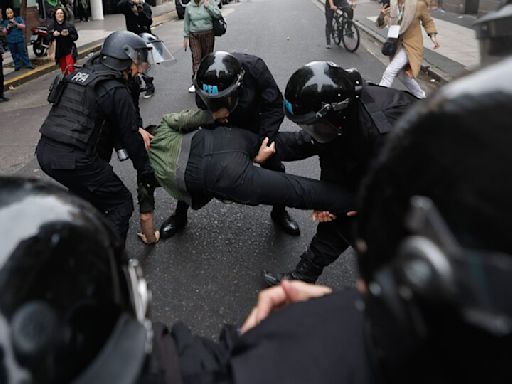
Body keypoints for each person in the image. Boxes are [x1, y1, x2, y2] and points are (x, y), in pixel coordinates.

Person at [3, 57, 512, 384]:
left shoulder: (379, 135)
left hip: (247, 161)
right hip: (230, 159)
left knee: (306, 198)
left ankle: (312, 242)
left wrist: (349, 204)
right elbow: (297, 137)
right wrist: (256, 145)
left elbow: (286, 129)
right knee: (303, 189)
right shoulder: (182, 125)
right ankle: (308, 255)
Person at [263, 61, 417, 286]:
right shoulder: (341, 116)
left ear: (336, 113)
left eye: (314, 125)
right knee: (341, 216)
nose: (312, 132)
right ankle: (303, 278)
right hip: (373, 161)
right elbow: (312, 143)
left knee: (354, 223)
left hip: (417, 181)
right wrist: (264, 146)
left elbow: (412, 183)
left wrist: (367, 204)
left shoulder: (382, 133)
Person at [137, 108, 354, 243]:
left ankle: (353, 201)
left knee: (290, 189)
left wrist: (150, 238)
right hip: (229, 140)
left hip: (218, 177)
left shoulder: (145, 173)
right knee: (277, 144)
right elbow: (206, 115)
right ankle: (336, 138)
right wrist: (222, 117)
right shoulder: (166, 124)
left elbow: (146, 216)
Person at [160, 51, 300, 239]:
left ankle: (279, 211)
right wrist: (215, 118)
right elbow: (202, 109)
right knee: (192, 165)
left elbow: (274, 106)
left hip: (253, 123)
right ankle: (180, 214)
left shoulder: (255, 68)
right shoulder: (203, 79)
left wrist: (263, 143)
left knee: (274, 167)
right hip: (218, 123)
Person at [35, 31, 157, 244]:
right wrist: (146, 173)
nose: (141, 68)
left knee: (86, 194)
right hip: (75, 159)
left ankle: (71, 241)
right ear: (124, 59)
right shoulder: (116, 90)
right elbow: (131, 138)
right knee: (121, 202)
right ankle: (104, 263)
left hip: (45, 152)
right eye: (138, 61)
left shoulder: (80, 74)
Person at [376, 0, 439, 99]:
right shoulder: (392, 4)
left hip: (412, 45)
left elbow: (427, 21)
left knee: (390, 70)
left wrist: (433, 36)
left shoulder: (417, 4)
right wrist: (382, 15)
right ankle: (421, 96)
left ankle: (379, 97)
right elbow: (381, 24)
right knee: (402, 75)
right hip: (397, 45)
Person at [118, 0, 156, 98]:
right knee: (132, 62)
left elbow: (148, 21)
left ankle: (149, 85)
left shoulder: (145, 6)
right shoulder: (127, 6)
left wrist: (140, 10)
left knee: (143, 62)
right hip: (131, 37)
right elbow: (119, 6)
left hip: (143, 38)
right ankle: (135, 83)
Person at [183, 0, 221, 93]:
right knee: (196, 58)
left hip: (208, 33)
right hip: (194, 35)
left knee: (207, 59)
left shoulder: (209, 2)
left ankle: (207, 81)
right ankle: (196, 82)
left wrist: (208, 7)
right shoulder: (189, 6)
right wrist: (185, 37)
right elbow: (186, 22)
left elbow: (218, 14)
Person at [48, 7, 78, 75]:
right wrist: (53, 35)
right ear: (55, 15)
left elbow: (75, 37)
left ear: (64, 15)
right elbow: (47, 38)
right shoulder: (52, 26)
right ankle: (66, 84)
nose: (59, 15)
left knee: (70, 69)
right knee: (64, 71)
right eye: (58, 13)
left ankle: (72, 83)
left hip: (69, 50)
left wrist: (68, 34)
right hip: (59, 52)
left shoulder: (69, 25)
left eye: (61, 13)